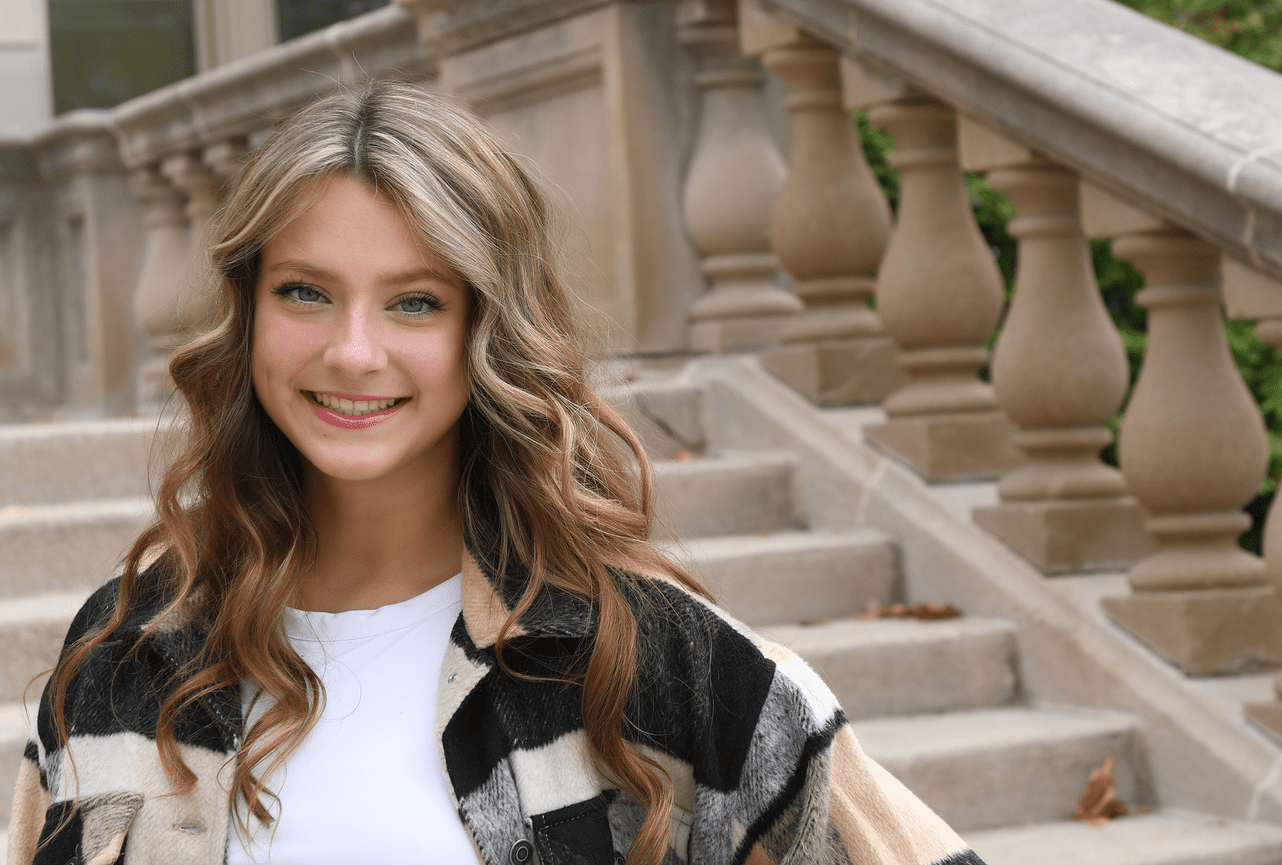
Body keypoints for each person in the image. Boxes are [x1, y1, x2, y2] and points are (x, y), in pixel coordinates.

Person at [8, 81, 986, 865]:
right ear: (248, 312)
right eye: (306, 291)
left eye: (414, 303)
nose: (352, 352)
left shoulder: (653, 666)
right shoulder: (124, 652)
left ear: (488, 329)